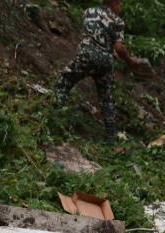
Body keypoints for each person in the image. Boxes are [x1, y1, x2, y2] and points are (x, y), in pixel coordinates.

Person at [55, 0, 142, 139]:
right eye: (120, 3)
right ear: (114, 3)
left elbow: (94, 34)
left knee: (64, 79)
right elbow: (119, 48)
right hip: (106, 62)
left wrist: (103, 48)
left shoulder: (88, 12)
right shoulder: (118, 21)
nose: (121, 7)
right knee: (107, 100)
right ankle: (111, 138)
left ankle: (55, 114)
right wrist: (130, 61)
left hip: (87, 55)